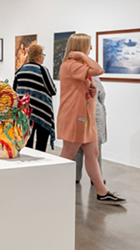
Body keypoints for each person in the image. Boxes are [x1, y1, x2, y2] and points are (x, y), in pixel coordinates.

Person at [57, 33, 126, 205]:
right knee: (68, 154)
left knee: (92, 153)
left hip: (85, 117)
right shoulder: (71, 64)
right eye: (88, 46)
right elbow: (99, 70)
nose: (90, 49)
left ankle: (102, 192)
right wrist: (82, 56)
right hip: (75, 116)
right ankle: (53, 185)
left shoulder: (78, 66)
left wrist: (92, 91)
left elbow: (86, 86)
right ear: (81, 47)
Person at [13, 44, 56, 152]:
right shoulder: (42, 70)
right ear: (38, 57)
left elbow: (15, 93)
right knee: (41, 147)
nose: (43, 57)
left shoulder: (20, 71)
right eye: (43, 55)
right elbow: (53, 90)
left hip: (25, 113)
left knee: (27, 145)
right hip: (42, 113)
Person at [73, 76, 106, 183]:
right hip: (93, 115)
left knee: (77, 147)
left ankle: (75, 176)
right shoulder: (93, 78)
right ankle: (96, 178)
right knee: (95, 149)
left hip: (78, 114)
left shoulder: (74, 77)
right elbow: (102, 95)